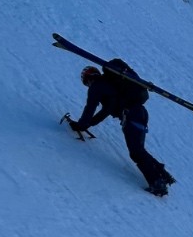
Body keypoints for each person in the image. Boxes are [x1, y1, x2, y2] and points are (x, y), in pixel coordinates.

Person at [67, 60, 175, 196]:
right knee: (138, 150)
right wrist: (88, 124)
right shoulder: (111, 86)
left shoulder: (97, 86)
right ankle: (162, 174)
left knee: (136, 152)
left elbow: (90, 108)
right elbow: (106, 110)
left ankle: (157, 183)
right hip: (140, 113)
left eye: (86, 83)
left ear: (89, 78)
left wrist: (81, 125)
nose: (88, 86)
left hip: (130, 115)